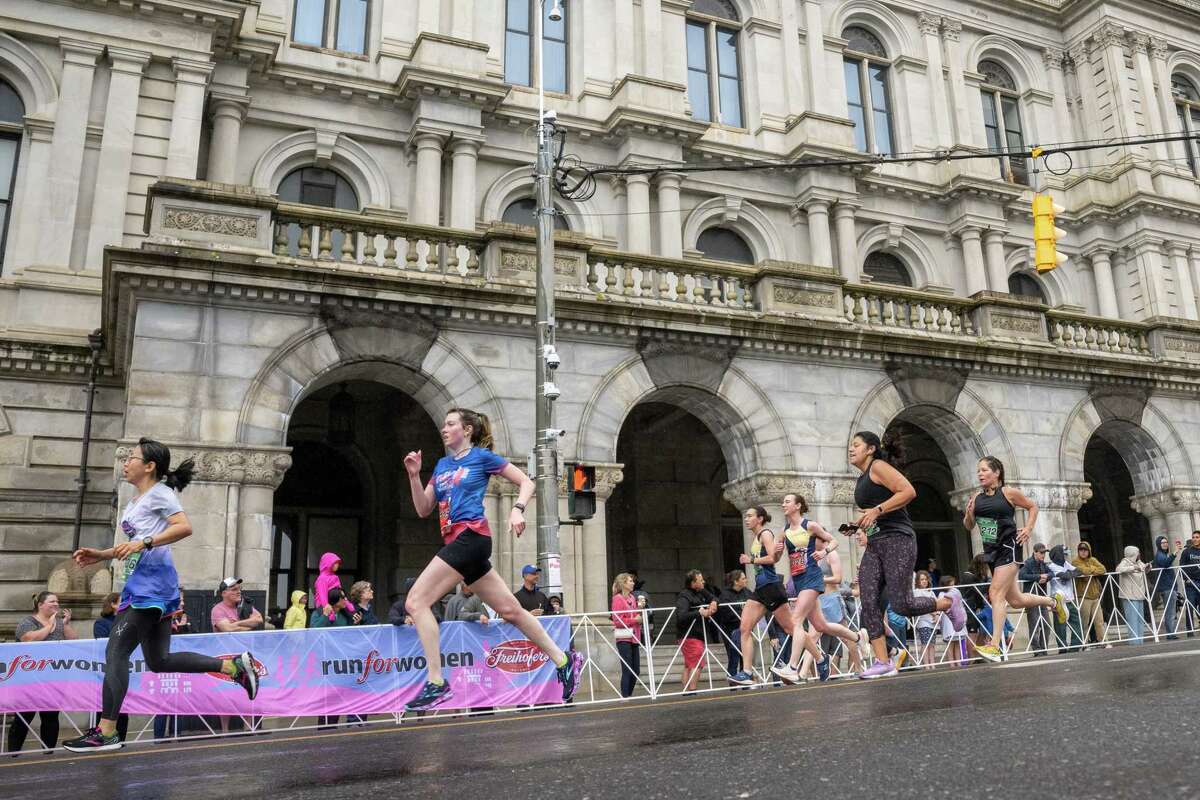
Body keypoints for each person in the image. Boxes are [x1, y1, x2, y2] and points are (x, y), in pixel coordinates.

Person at [68, 438, 257, 752]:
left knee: (116, 652)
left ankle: (107, 731)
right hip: (144, 585)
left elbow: (183, 527)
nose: (126, 462)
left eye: (132, 457)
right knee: (159, 660)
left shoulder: (161, 493)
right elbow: (135, 543)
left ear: (150, 465)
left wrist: (144, 543)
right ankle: (233, 667)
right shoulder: (137, 501)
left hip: (151, 587)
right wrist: (102, 554)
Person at [402, 408, 582, 710]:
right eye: (445, 425)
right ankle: (563, 660)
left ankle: (436, 682)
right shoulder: (443, 465)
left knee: (415, 603)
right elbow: (423, 508)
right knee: (511, 611)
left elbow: (526, 482)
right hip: (460, 544)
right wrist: (413, 476)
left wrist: (517, 509)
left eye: (450, 424)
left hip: (471, 537)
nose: (444, 429)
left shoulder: (482, 458)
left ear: (467, 429)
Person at [848, 431, 963, 679]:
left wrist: (877, 510)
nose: (851, 449)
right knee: (868, 602)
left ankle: (948, 602)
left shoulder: (878, 466)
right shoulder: (861, 479)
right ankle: (882, 661)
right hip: (875, 543)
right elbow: (877, 513)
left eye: (856, 445)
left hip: (898, 540)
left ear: (870, 449)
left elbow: (908, 491)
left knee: (902, 604)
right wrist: (862, 523)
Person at [963, 456, 1064, 662]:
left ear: (996, 472)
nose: (980, 474)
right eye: (978, 471)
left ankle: (994, 646)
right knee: (1016, 601)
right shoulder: (977, 497)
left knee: (994, 593)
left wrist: (1027, 528)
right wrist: (969, 513)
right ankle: (1053, 602)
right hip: (991, 552)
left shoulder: (1008, 493)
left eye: (984, 470)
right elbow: (969, 526)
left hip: (1010, 548)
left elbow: (1032, 507)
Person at [770, 493, 861, 684]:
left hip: (812, 578)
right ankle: (858, 636)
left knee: (795, 620)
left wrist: (824, 551)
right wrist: (777, 551)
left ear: (797, 506)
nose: (783, 504)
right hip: (798, 580)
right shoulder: (784, 530)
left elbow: (833, 540)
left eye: (787, 501)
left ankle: (792, 668)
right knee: (821, 626)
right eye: (783, 501)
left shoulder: (809, 525)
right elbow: (775, 559)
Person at [727, 506, 804, 686]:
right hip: (760, 589)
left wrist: (751, 560)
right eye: (745, 516)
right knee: (744, 629)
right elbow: (774, 557)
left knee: (791, 628)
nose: (746, 519)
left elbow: (772, 559)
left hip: (771, 587)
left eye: (750, 516)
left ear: (760, 519)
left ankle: (819, 657)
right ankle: (746, 673)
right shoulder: (755, 537)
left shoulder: (765, 534)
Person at [8, 591, 78, 752]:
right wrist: (49, 626)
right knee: (24, 716)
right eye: (52, 601)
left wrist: (65, 624)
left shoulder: (58, 622)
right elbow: (29, 639)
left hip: (54, 677)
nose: (56, 604)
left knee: (51, 716)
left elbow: (74, 640)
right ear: (40, 605)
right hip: (30, 678)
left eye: (57, 601)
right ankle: (13, 753)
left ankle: (48, 751)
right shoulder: (28, 621)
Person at [91, 592, 130, 742]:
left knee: (123, 707)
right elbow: (103, 643)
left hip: (125, 668)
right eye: (123, 602)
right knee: (107, 705)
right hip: (107, 670)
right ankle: (101, 736)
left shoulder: (128, 621)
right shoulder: (102, 622)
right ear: (113, 604)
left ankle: (120, 740)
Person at [675, 570, 717, 694]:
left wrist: (714, 602)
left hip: (696, 634)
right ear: (693, 582)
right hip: (689, 634)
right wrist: (698, 612)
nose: (703, 581)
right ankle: (691, 690)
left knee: (689, 664)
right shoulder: (684, 596)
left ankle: (687, 690)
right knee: (697, 663)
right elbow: (681, 616)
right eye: (700, 580)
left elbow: (714, 597)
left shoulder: (700, 592)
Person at [1017, 544, 1054, 655]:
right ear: (1035, 552)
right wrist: (1038, 577)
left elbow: (1052, 573)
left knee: (1047, 625)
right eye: (1041, 552)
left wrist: (1046, 577)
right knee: (1034, 625)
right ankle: (1037, 650)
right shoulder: (1028, 563)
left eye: (1044, 553)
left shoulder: (1043, 564)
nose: (1043, 555)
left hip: (1042, 598)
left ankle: (1043, 648)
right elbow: (1021, 575)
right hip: (1031, 598)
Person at [611, 573, 642, 698]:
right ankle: (625, 696)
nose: (633, 583)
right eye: (630, 581)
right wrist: (635, 620)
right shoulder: (618, 599)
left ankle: (628, 694)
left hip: (634, 637)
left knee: (636, 670)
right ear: (624, 583)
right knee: (627, 669)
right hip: (624, 638)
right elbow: (617, 620)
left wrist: (640, 609)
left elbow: (635, 615)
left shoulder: (632, 598)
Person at [1046, 546, 1083, 653]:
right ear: (1058, 555)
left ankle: (1075, 647)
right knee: (1060, 627)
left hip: (1070, 599)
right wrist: (1071, 574)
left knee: (1076, 623)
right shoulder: (1052, 566)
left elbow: (1079, 571)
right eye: (1063, 554)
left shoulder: (1066, 564)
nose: (1066, 556)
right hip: (1058, 600)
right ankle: (1062, 648)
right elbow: (1064, 576)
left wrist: (1070, 574)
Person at [715, 570, 750, 681]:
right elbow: (726, 613)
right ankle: (732, 680)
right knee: (733, 655)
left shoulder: (747, 592)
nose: (746, 580)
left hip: (744, 628)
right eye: (743, 578)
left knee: (745, 655)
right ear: (736, 581)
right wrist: (743, 613)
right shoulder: (725, 595)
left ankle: (745, 678)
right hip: (730, 629)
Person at [1071, 541, 1108, 646]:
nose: (1083, 552)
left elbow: (1103, 569)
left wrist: (1091, 570)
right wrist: (1092, 570)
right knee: (1085, 622)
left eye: (1085, 550)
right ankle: (1085, 642)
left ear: (1089, 551)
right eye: (1081, 550)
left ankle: (1102, 641)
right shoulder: (1075, 561)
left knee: (1099, 621)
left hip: (1095, 595)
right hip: (1083, 596)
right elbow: (1082, 570)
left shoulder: (1093, 560)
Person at [1116, 545, 1151, 644]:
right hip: (1129, 595)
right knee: (1132, 620)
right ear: (1132, 553)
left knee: (1140, 619)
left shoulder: (1139, 562)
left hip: (1139, 594)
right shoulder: (1125, 561)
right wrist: (1133, 567)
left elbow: (1144, 569)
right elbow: (1118, 569)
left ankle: (1140, 640)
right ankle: (1134, 642)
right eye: (1137, 552)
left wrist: (1148, 567)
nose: (1139, 554)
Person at [1150, 537, 1180, 640]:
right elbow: (1166, 564)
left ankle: (1171, 633)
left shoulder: (1163, 554)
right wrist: (1175, 553)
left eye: (1166, 542)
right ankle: (1170, 634)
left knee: (1171, 611)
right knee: (1170, 611)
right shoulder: (1160, 555)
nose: (1165, 544)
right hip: (1167, 587)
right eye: (1163, 543)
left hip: (1169, 586)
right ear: (1158, 544)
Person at [912, 571, 940, 669]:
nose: (924, 581)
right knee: (925, 643)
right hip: (923, 621)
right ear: (918, 581)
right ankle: (926, 665)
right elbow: (921, 605)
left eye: (925, 579)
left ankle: (932, 664)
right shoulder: (916, 592)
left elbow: (937, 604)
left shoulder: (931, 592)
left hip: (933, 621)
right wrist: (933, 613)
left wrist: (937, 614)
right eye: (921, 579)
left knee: (932, 644)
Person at [315, 552, 353, 622]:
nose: (337, 565)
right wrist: (329, 611)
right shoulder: (322, 579)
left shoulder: (335, 577)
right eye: (335, 563)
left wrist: (347, 603)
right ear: (328, 564)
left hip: (335, 603)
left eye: (338, 563)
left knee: (350, 616)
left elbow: (341, 592)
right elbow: (323, 596)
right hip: (322, 605)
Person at [1177, 531, 1200, 637]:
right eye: (1193, 537)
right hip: (1191, 583)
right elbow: (1181, 567)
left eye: (1197, 537)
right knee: (1190, 606)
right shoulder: (1187, 552)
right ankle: (1190, 631)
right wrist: (1186, 579)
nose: (1195, 539)